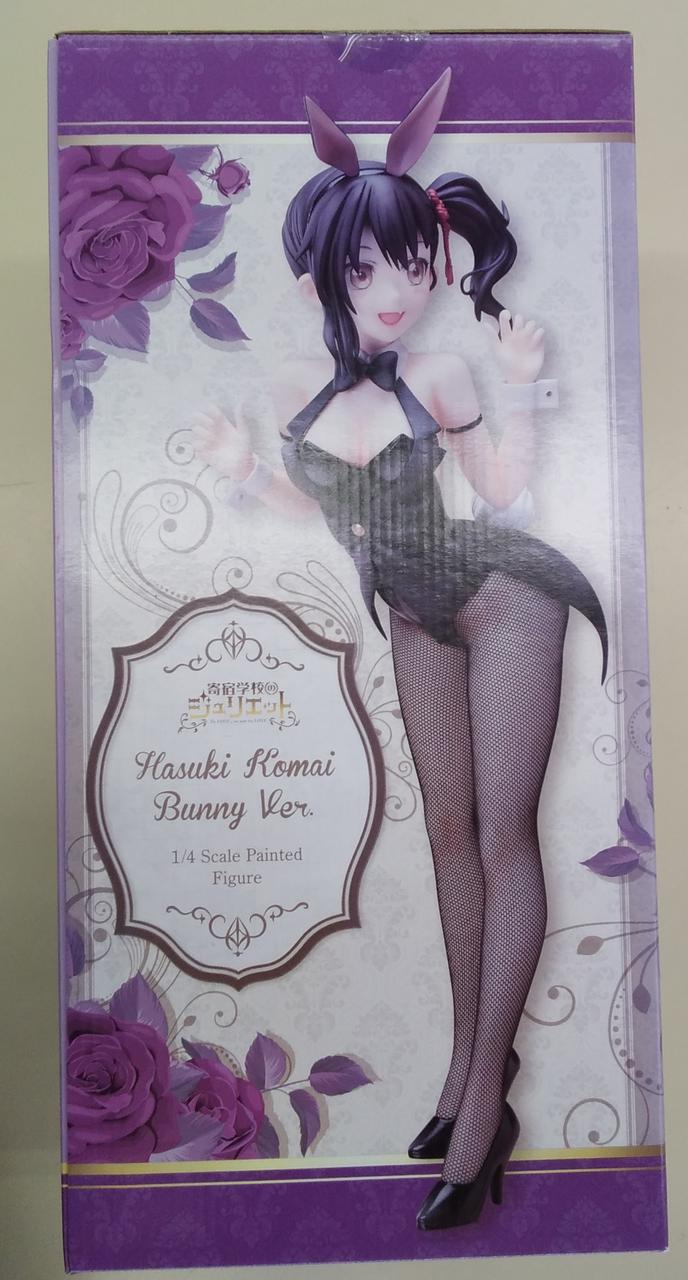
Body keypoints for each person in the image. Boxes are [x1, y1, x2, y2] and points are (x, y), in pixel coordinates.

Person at [193, 68, 607, 1230]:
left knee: (501, 831)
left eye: (415, 265)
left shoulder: (443, 371)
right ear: (322, 272)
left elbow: (503, 492)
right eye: (369, 266)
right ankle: (469, 1069)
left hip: (503, 595)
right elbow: (311, 503)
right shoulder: (297, 386)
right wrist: (243, 472)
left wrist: (524, 387)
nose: (396, 289)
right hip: (413, 608)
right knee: (444, 832)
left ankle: (482, 1108)